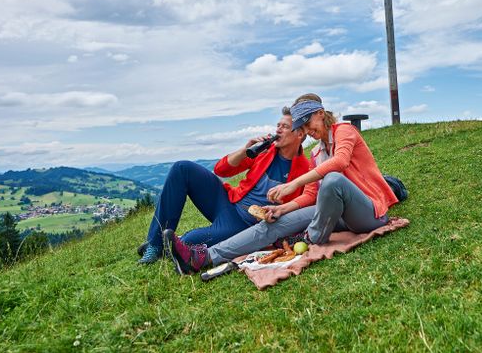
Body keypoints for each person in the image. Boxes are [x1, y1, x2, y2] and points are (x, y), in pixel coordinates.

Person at [163, 93, 399, 275]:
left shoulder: (344, 131)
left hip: (369, 213)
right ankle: (202, 258)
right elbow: (310, 196)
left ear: (320, 113)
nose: (308, 131)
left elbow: (340, 162)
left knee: (332, 180)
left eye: (308, 124)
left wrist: (291, 184)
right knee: (275, 222)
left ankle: (311, 238)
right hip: (336, 216)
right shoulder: (316, 154)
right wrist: (281, 209)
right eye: (303, 127)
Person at [137, 108, 309, 264]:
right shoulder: (264, 151)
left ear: (299, 134)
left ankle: (172, 242)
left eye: (284, 127)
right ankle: (155, 244)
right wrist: (245, 150)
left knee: (188, 242)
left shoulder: (306, 169)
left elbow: (301, 207)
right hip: (228, 201)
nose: (278, 129)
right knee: (182, 168)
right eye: (277, 125)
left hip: (243, 224)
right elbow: (221, 170)